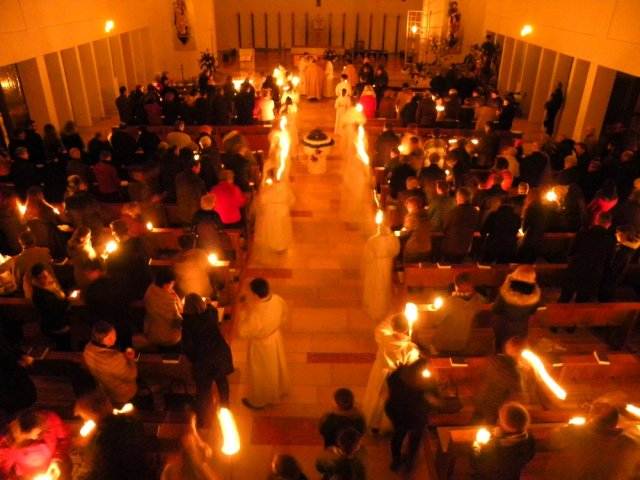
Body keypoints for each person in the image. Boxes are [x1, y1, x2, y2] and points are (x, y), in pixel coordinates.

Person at [547, 401, 640, 479]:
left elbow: (554, 434)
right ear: (615, 423)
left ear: (591, 418)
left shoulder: (571, 435)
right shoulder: (630, 444)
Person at [74, 391, 152, 480]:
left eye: (84, 416)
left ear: (93, 413)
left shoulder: (103, 438)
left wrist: (89, 445)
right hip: (139, 471)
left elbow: (102, 468)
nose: (85, 420)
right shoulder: (127, 422)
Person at [361, 314, 420, 434]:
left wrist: (398, 314)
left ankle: (373, 423)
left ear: (393, 327)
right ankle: (387, 425)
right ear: (406, 329)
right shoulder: (410, 348)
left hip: (379, 373)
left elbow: (381, 327)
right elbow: (412, 365)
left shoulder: (383, 337)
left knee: (376, 397)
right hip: (396, 378)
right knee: (390, 400)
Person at [181, 294, 234, 428]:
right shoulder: (211, 314)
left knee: (203, 390)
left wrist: (194, 359)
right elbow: (211, 307)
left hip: (202, 360)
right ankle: (225, 408)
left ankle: (204, 421)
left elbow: (187, 347)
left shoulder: (188, 322)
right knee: (222, 381)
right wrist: (208, 302)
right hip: (219, 354)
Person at [238, 277, 290, 409]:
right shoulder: (277, 299)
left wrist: (244, 312)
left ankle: (258, 400)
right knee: (275, 367)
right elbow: (284, 316)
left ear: (255, 295)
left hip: (261, 345)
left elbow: (243, 332)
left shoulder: (256, 312)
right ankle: (277, 392)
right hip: (275, 338)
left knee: (260, 373)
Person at [385, 357, 440, 473]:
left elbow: (389, 381)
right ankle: (409, 464)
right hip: (416, 417)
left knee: (398, 435)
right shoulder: (424, 384)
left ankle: (395, 460)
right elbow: (434, 398)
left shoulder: (396, 375)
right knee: (415, 439)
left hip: (397, 412)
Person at [414, 272, 488, 355]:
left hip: (451, 344)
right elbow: (436, 320)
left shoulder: (452, 302)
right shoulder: (476, 300)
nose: (463, 293)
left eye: (467, 291)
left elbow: (436, 320)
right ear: (456, 288)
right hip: (455, 344)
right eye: (460, 291)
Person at [559, 211, 617, 303]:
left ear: (597, 220)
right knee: (581, 302)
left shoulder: (583, 234)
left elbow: (571, 251)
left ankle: (557, 315)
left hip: (575, 269)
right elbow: (608, 263)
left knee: (564, 299)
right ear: (609, 224)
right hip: (592, 275)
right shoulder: (610, 241)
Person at [471, 402, 536, 480]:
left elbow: (477, 465)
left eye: (500, 420)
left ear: (509, 427)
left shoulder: (495, 452)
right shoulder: (529, 441)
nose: (497, 421)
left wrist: (476, 445)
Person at [0, 408, 71, 479]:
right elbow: (3, 473)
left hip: (56, 469)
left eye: (40, 432)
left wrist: (57, 459)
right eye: (29, 439)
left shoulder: (50, 419)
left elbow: (65, 437)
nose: (38, 437)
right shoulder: (6, 444)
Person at [472, 336, 526, 425]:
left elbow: (480, 375)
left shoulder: (493, 359)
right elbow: (519, 397)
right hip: (494, 411)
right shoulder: (513, 375)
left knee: (473, 428)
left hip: (479, 401)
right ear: (520, 353)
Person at [83, 321, 138, 406]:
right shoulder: (114, 358)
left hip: (104, 389)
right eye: (109, 338)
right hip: (122, 393)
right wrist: (130, 360)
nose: (114, 338)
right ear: (100, 339)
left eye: (114, 334)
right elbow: (131, 375)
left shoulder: (88, 348)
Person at [492, 265, 541, 351]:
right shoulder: (535, 295)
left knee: (501, 347)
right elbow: (532, 312)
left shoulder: (506, 292)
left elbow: (496, 309)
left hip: (504, 325)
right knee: (517, 348)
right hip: (521, 326)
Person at [362, 217, 400, 320]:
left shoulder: (373, 240)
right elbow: (396, 251)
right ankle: (384, 307)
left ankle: (376, 307)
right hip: (387, 263)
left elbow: (367, 254)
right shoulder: (393, 238)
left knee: (376, 284)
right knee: (384, 284)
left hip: (376, 264)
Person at [105, 219, 152, 301]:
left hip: (131, 288)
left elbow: (111, 269)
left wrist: (107, 257)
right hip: (146, 282)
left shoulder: (116, 253)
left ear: (115, 234)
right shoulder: (140, 242)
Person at [30, 263, 71, 351]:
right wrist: (65, 300)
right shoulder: (40, 295)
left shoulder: (49, 285)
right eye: (43, 277)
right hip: (56, 325)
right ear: (36, 279)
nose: (47, 278)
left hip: (60, 320)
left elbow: (60, 293)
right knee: (64, 345)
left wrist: (66, 295)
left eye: (47, 275)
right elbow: (55, 311)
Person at [253, 169, 294, 258]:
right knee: (282, 227)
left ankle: (274, 245)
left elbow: (263, 200)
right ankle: (282, 245)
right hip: (282, 209)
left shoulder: (269, 187)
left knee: (273, 228)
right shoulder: (284, 185)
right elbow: (291, 199)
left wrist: (265, 188)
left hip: (271, 209)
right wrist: (286, 206)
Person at [0, 230, 52, 296]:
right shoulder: (45, 251)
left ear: (20, 242)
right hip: (49, 288)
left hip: (31, 295)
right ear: (34, 239)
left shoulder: (17, 260)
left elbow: (18, 285)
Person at [143, 269, 183, 351]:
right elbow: (175, 320)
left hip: (153, 329)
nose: (172, 285)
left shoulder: (151, 289)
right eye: (171, 283)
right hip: (167, 335)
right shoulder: (166, 299)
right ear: (164, 283)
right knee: (170, 354)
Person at [441, 187, 480, 263]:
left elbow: (444, 228)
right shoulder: (475, 213)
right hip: (466, 247)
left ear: (459, 198)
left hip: (451, 247)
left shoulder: (452, 213)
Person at [481, 197, 521, 264]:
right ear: (512, 205)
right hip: (509, 247)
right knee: (503, 268)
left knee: (486, 266)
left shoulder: (493, 215)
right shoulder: (516, 217)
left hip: (493, 246)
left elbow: (483, 231)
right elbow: (517, 230)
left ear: (500, 204)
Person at [176, 159, 206, 226]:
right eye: (199, 168)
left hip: (182, 211)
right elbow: (202, 196)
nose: (200, 170)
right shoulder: (199, 181)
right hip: (194, 212)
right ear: (194, 168)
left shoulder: (178, 178)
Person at [403, 196, 432, 264]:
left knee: (409, 269)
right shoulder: (426, 215)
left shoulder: (412, 216)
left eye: (408, 207)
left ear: (413, 206)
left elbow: (406, 232)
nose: (407, 209)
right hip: (426, 248)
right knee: (423, 270)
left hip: (413, 249)